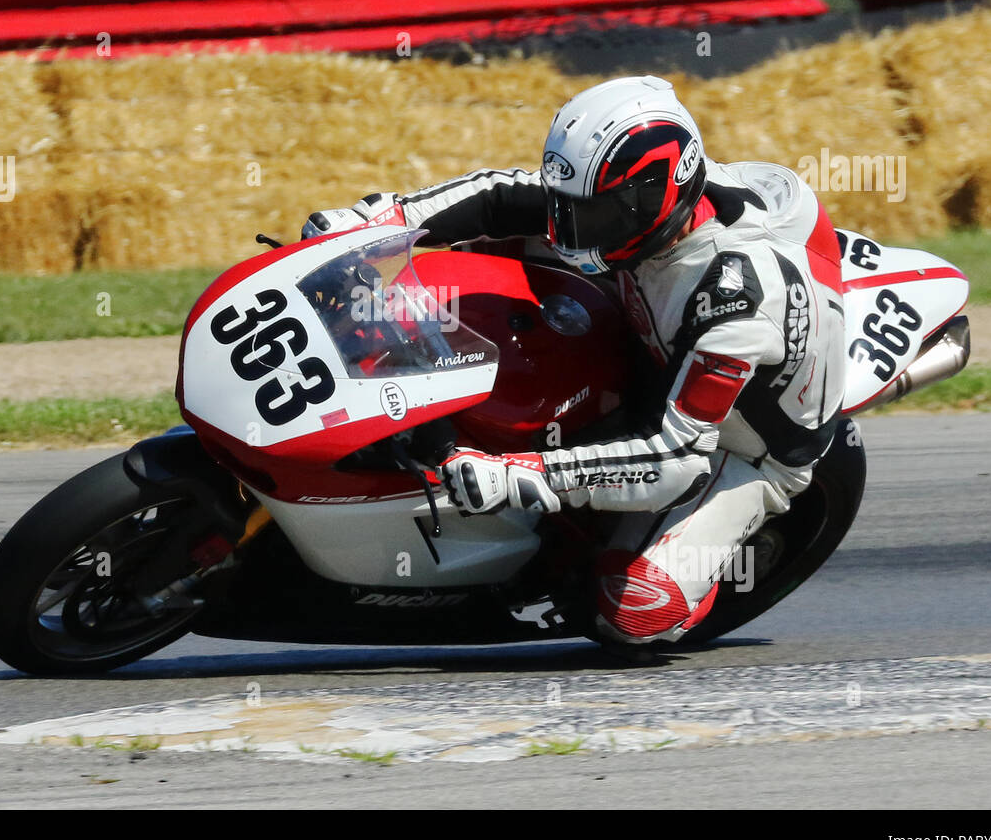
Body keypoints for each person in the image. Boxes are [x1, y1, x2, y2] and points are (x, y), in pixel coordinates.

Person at [301, 75, 846, 648]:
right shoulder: (635, 212)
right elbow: (502, 196)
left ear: (657, 194)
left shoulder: (733, 304)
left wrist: (518, 476)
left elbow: (675, 459)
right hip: (660, 317)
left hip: (740, 449)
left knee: (632, 613)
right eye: (568, 208)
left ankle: (672, 569)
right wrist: (377, 223)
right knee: (490, 245)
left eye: (596, 214)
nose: (570, 230)